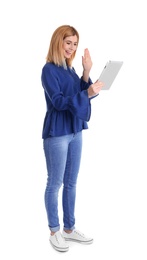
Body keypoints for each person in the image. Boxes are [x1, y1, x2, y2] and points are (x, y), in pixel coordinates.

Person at [41, 25, 104, 252]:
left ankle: (69, 228)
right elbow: (59, 102)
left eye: (75, 44)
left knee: (71, 182)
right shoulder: (49, 69)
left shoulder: (69, 69)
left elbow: (81, 94)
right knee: (55, 183)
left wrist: (86, 72)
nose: (72, 48)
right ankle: (54, 231)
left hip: (75, 130)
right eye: (68, 42)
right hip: (57, 132)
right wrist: (86, 92)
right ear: (58, 42)